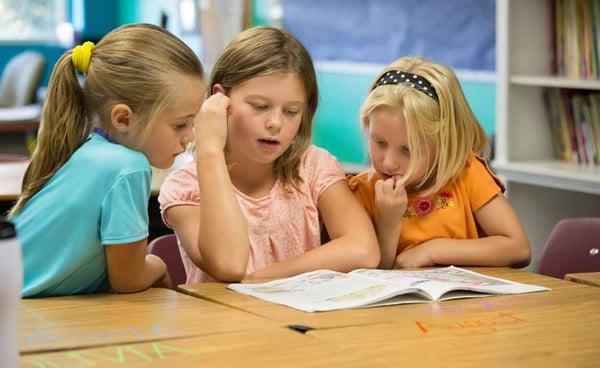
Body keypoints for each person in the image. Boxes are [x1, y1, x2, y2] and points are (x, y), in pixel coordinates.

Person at [159, 26, 379, 283]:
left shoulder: (312, 166)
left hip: (298, 320)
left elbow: (363, 249)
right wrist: (209, 149)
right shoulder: (186, 186)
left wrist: (263, 277)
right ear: (220, 101)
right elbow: (229, 264)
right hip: (225, 323)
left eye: (291, 111)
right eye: (260, 107)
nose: (275, 123)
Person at [10, 23, 205, 297]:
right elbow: (128, 278)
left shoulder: (89, 149)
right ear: (123, 118)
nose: (190, 137)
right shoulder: (128, 168)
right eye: (180, 125)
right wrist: (158, 264)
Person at [349, 56, 531, 269]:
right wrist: (388, 226)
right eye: (380, 142)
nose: (388, 163)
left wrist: (433, 250)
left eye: (408, 150)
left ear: (444, 143)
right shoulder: (360, 193)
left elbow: (519, 249)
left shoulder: (467, 175)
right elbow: (371, 280)